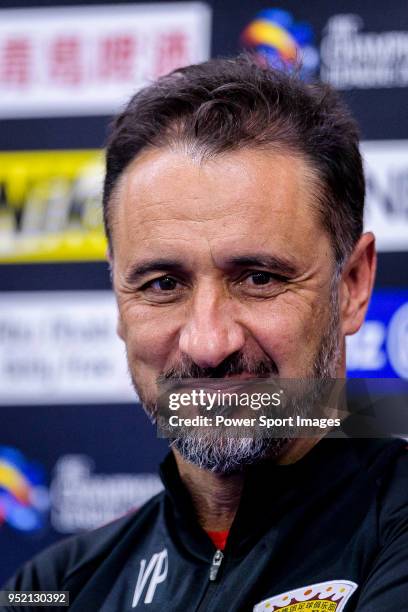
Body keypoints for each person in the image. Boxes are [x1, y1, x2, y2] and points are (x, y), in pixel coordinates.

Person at [3, 55, 408, 611]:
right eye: (163, 283)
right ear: (119, 301)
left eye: (259, 279)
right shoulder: (52, 588)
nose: (207, 343)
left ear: (354, 286)